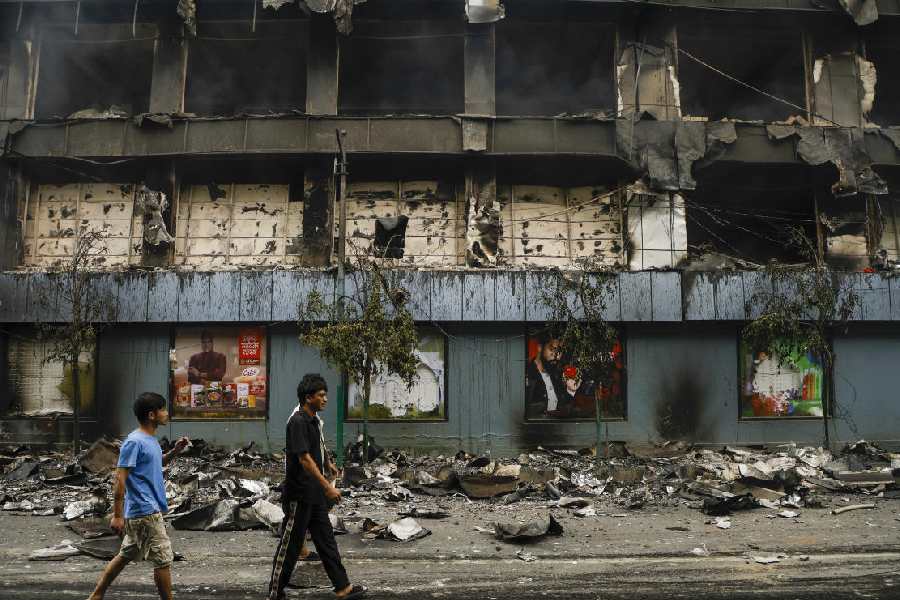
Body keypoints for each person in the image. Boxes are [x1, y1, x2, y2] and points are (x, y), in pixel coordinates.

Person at [268, 374, 366, 600]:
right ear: (308, 397)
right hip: (299, 495)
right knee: (291, 546)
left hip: (314, 495)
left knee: (326, 541)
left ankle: (343, 587)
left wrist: (328, 463)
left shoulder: (313, 420)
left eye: (325, 394)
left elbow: (316, 449)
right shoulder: (298, 421)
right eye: (321, 395)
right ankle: (275, 593)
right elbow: (304, 459)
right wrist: (328, 488)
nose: (325, 399)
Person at [88, 393, 190, 600]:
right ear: (152, 415)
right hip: (145, 510)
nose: (166, 413)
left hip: (144, 510)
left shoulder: (149, 440)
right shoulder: (134, 442)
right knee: (163, 559)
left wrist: (175, 451)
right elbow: (120, 478)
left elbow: (156, 463)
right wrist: (117, 516)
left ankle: (96, 595)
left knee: (126, 554)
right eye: (163, 409)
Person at [525, 332, 564, 418]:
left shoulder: (556, 374)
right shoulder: (527, 374)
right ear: (540, 348)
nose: (556, 356)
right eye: (552, 349)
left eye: (559, 351)